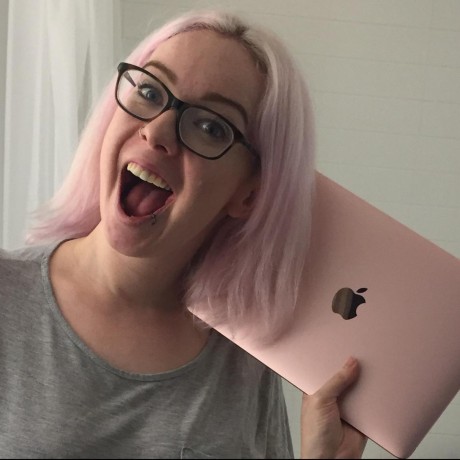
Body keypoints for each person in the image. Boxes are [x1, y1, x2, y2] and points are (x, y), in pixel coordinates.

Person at [0, 9, 367, 459]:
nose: (157, 131)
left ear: (249, 194)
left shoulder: (244, 361)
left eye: (211, 126)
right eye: (150, 92)